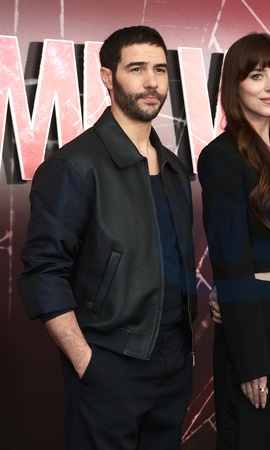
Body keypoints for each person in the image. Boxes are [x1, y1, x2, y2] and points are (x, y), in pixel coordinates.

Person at [17, 25, 197, 450]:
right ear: (107, 77)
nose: (151, 82)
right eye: (136, 69)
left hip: (173, 365)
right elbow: (42, 273)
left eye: (159, 69)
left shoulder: (173, 168)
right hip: (109, 364)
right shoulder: (75, 165)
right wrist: (87, 362)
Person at [197, 33, 270, 450]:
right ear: (235, 85)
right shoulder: (221, 155)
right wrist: (250, 360)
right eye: (257, 75)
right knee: (252, 436)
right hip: (255, 320)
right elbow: (230, 258)